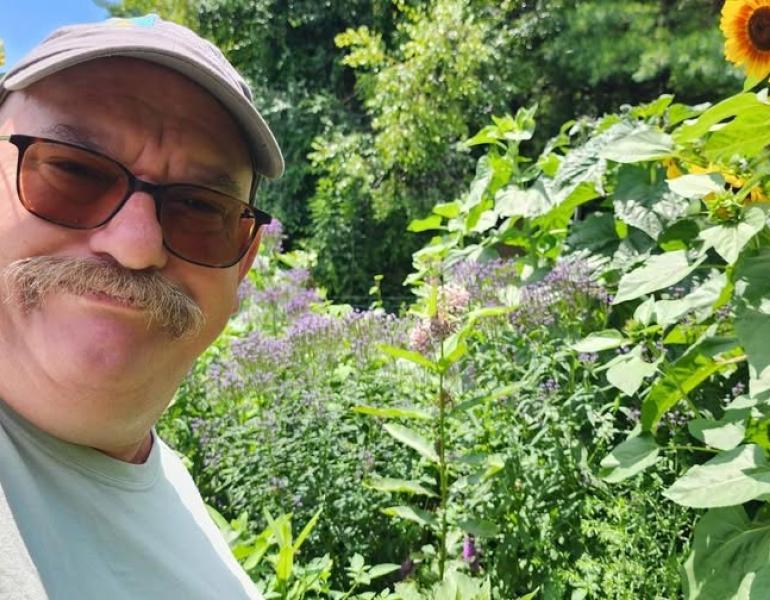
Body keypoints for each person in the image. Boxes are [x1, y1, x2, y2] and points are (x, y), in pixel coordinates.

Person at [0, 14, 283, 600]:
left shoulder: (171, 489)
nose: (136, 246)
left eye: (200, 210)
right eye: (73, 171)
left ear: (243, 263)